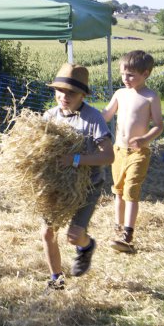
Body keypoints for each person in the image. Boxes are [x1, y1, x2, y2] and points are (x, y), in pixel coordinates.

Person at [42, 63, 114, 291]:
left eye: (71, 92)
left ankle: (87, 246)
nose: (64, 96)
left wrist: (75, 159)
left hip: (87, 185)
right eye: (60, 90)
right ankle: (56, 279)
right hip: (57, 185)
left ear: (83, 95)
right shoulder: (49, 116)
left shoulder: (93, 119)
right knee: (47, 232)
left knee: (74, 236)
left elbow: (108, 156)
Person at [102, 50, 163, 253]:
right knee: (118, 192)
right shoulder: (120, 94)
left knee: (131, 192)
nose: (125, 79)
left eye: (131, 75)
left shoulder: (150, 97)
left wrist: (145, 138)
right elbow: (106, 116)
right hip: (118, 151)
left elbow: (159, 125)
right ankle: (118, 229)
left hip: (139, 153)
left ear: (145, 74)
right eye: (122, 74)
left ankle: (128, 235)